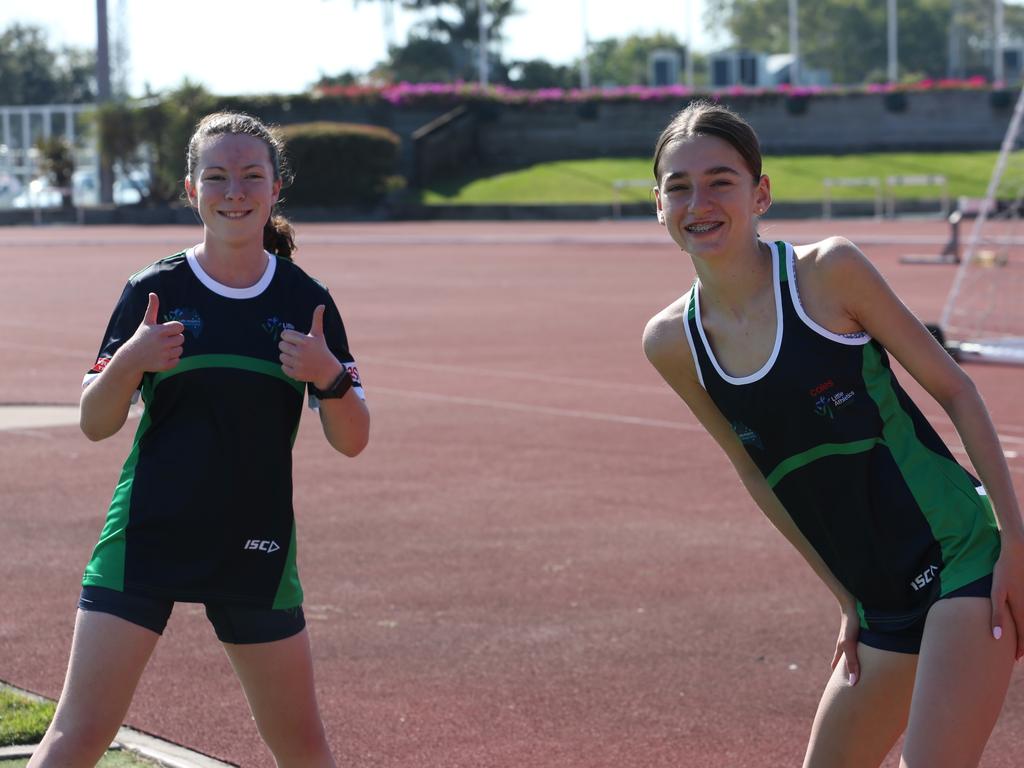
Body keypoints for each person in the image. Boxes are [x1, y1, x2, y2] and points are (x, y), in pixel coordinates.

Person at [642, 100, 1024, 767]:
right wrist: (844, 596)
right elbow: (755, 472)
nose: (698, 201)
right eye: (678, 186)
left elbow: (956, 390)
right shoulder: (673, 342)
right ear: (659, 205)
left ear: (760, 193)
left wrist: (1016, 544)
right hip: (877, 597)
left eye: (720, 180)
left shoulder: (827, 273)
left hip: (963, 559)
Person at [30, 112, 370, 768]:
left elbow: (353, 439)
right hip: (146, 537)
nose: (233, 191)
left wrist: (327, 377)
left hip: (255, 543)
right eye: (215, 177)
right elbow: (95, 421)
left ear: (276, 190)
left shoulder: (308, 301)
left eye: (250, 176)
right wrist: (131, 359)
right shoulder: (153, 291)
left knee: (302, 747)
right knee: (77, 736)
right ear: (191, 191)